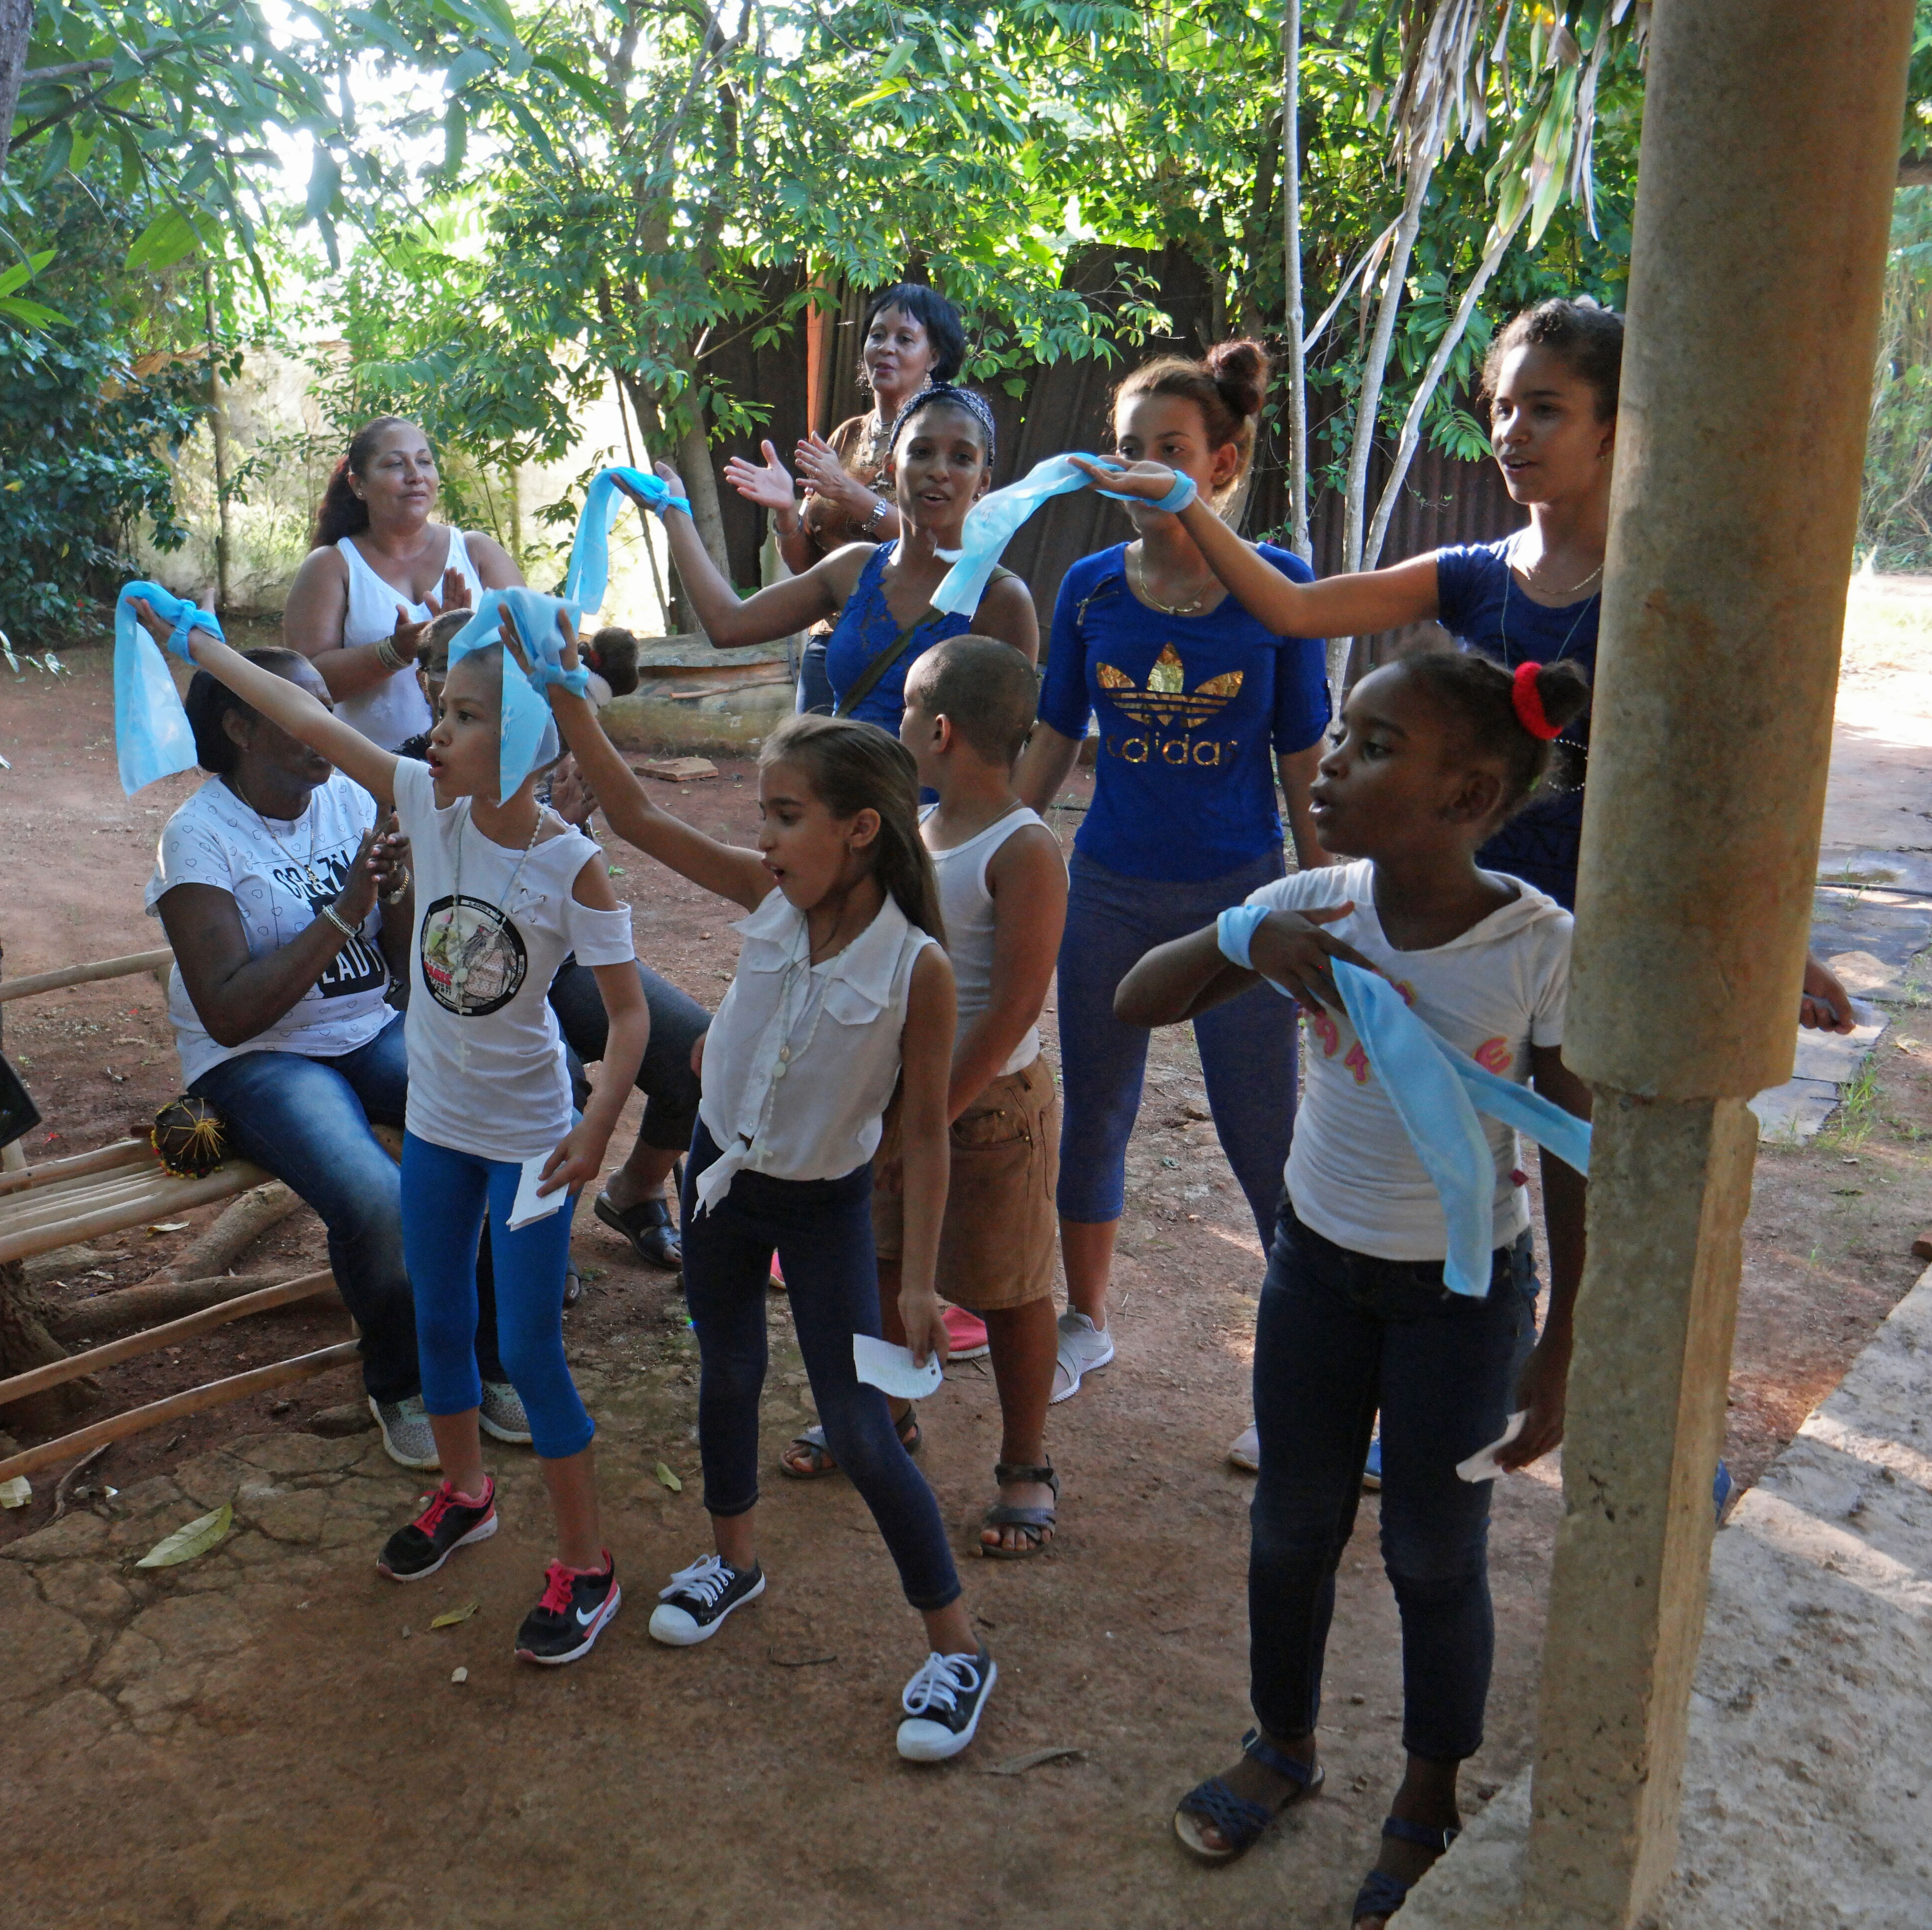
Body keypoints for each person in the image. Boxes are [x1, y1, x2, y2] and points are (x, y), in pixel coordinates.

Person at [1114, 647, 1594, 1928]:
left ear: (1465, 794)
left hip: (1460, 1298)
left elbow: (1572, 1148)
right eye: (1339, 734)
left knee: (1436, 1557)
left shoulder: (1534, 946)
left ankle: (1428, 1792)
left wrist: (1556, 1345)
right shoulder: (1315, 905)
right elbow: (1132, 998)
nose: (1330, 760)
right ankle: (1282, 1743)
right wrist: (1244, 934)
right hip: (1312, 1275)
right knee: (1289, 1528)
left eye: (1374, 746)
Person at [1078, 297, 1859, 1030]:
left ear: (1612, 429)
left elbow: (1710, 787)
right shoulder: (1474, 573)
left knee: (1573, 1151)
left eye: (1545, 409)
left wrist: (1775, 946)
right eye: (1504, 407)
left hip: (1615, 931)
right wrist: (1186, 499)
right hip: (1466, 932)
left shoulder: (1660, 594)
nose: (1513, 431)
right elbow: (1295, 610)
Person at [533, 646, 999, 1762]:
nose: (764, 838)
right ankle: (734, 1560)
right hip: (717, 1183)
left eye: (785, 816)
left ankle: (957, 1648)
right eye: (763, 815)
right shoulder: (773, 902)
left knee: (859, 1428)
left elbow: (927, 1135)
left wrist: (924, 1280)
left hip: (822, 1207)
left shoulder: (916, 969)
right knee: (729, 1371)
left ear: (860, 832)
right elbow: (638, 815)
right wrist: (559, 692)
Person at [158, 613, 650, 1668]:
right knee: (437, 1317)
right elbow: (300, 713)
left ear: (525, 739)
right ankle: (466, 1495)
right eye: (438, 710)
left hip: (531, 1143)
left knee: (526, 1348)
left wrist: (597, 1126)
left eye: (465, 717)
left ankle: (588, 1563)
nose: (436, 733)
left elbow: (630, 1015)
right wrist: (194, 638)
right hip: (438, 1126)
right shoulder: (428, 803)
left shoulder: (572, 868)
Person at [1011, 339, 1330, 1407]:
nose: (1142, 469)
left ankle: (1296, 1372)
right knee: (1096, 1112)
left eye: (1171, 450)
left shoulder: (1281, 591)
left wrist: (1331, 901)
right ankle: (1087, 1321)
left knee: (1263, 1134)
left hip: (1243, 901)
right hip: (1106, 891)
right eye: (1127, 449)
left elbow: (1303, 767)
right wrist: (977, 857)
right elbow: (1054, 741)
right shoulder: (1093, 589)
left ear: (1224, 464)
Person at [141, 637, 525, 1469]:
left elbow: (395, 963)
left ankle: (490, 1362)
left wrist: (400, 885)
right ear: (241, 726)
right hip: (259, 1061)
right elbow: (233, 1012)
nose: (327, 724)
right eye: (301, 710)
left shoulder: (351, 799)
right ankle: (398, 1379)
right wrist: (351, 902)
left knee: (491, 1131)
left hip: (365, 1029)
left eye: (328, 706)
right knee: (379, 1200)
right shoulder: (198, 841)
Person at [777, 638, 1069, 1558]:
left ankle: (1025, 1463)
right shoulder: (918, 831)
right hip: (896, 1106)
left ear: (937, 731)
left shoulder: (1023, 848)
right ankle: (886, 1413)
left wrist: (930, 1117)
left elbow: (1015, 1005)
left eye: (903, 710)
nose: (896, 725)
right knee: (877, 1266)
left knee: (1008, 1288)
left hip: (986, 1115)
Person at [404, 617, 707, 1274]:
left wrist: (566, 826)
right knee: (556, 1083)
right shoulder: (429, 765)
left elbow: (569, 859)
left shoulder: (533, 741)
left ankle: (635, 1190)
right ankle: (534, 1246)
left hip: (558, 957)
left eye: (456, 666)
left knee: (691, 1051)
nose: (438, 685)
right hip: (473, 971)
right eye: (433, 667)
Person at [646, 384, 1036, 736]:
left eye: (962, 458)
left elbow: (1009, 756)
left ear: (983, 483)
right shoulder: (855, 567)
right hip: (839, 807)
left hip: (933, 814)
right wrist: (674, 510)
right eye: (921, 452)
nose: (938, 471)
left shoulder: (1000, 601)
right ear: (891, 466)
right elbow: (727, 624)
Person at [724, 284, 968, 712]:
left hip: (908, 643)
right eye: (877, 336)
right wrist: (785, 513)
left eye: (904, 339)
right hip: (828, 643)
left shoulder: (946, 440)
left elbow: (942, 544)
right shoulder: (848, 436)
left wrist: (850, 493)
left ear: (934, 357)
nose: (886, 348)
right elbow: (809, 567)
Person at [282, 416, 520, 751]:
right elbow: (305, 684)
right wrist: (396, 651)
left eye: (424, 461)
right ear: (357, 485)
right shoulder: (332, 566)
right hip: (367, 776)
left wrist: (465, 641)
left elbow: (533, 655)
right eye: (396, 464)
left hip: (478, 773)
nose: (416, 476)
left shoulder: (477, 553)